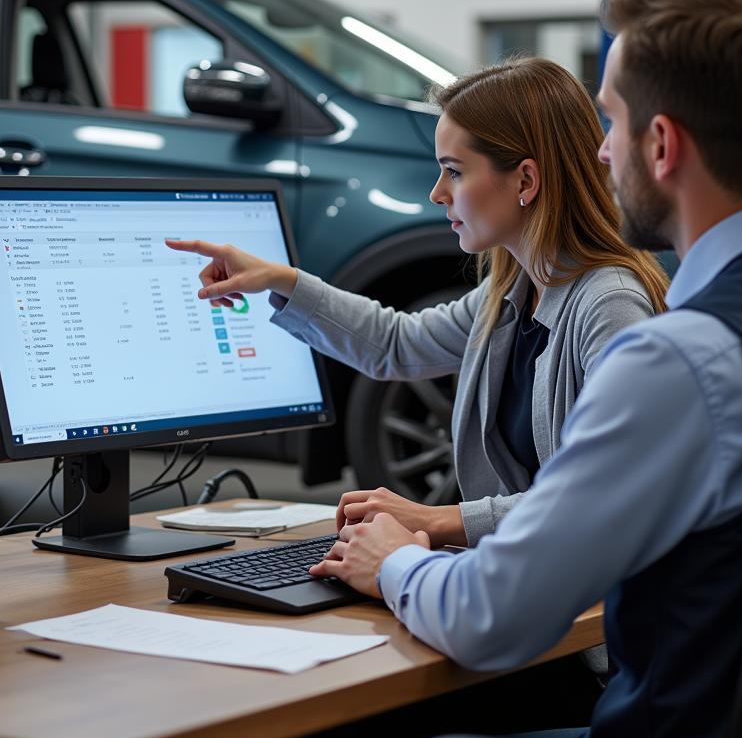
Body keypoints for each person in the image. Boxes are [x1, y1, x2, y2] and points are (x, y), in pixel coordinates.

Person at [304, 0, 742, 738]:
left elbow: (492, 615)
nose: (601, 150)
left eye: (610, 121)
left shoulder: (680, 358)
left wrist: (396, 559)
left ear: (662, 145)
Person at [168, 57, 668, 552]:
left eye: (453, 172)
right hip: (535, 571)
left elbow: (606, 495)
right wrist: (283, 281)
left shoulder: (609, 305)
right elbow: (397, 344)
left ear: (525, 181)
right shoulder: (513, 289)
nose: (436, 194)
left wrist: (435, 520)